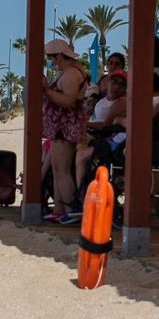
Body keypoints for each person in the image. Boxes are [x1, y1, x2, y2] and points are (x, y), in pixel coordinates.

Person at [42, 38, 89, 221]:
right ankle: (59, 209)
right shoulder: (70, 72)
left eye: (53, 58)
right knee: (57, 168)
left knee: (62, 169)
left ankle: (72, 208)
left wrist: (47, 90)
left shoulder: (71, 74)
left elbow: (68, 100)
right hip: (61, 127)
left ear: (60, 56)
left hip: (65, 127)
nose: (52, 62)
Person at [71, 69, 127, 206]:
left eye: (121, 84)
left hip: (101, 137)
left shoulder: (120, 102)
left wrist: (85, 124)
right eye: (114, 82)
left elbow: (106, 125)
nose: (117, 86)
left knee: (79, 155)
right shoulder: (102, 101)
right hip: (91, 134)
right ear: (108, 83)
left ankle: (81, 197)